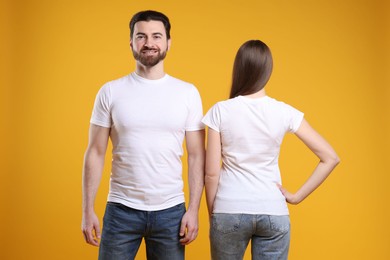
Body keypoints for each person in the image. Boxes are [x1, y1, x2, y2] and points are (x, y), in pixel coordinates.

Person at [81, 10, 205, 260]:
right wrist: (87, 210)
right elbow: (95, 152)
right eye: (141, 36)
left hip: (171, 212)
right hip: (121, 210)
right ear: (131, 42)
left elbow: (196, 156)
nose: (149, 43)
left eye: (156, 36)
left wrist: (193, 209)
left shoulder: (187, 93)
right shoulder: (110, 92)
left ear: (168, 42)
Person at [202, 40, 340, 260]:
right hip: (273, 210)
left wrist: (215, 214)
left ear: (238, 68)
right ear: (268, 70)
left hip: (229, 207)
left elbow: (211, 173)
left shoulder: (220, 110)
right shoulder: (284, 111)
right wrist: (296, 197)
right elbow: (330, 158)